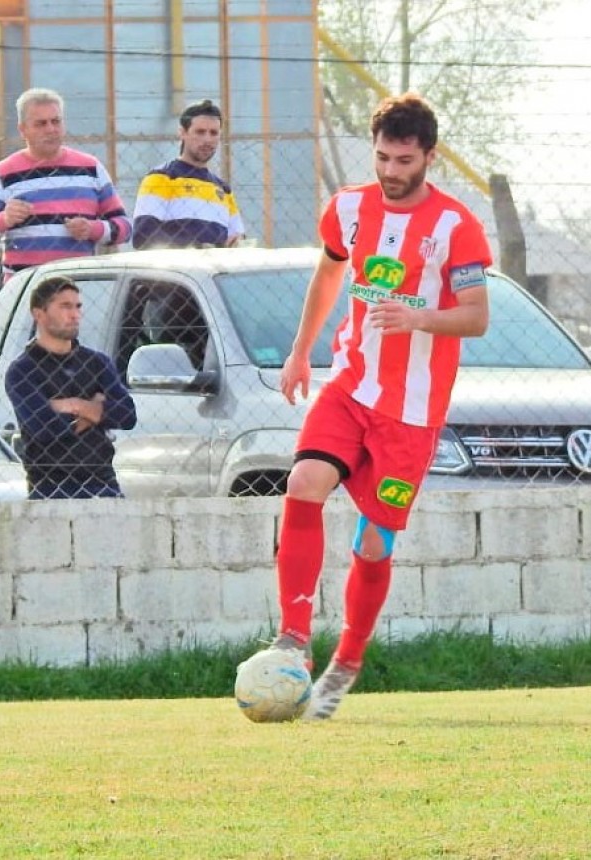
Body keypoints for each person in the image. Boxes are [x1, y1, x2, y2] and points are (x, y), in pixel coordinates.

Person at [270, 93, 493, 720]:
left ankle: (348, 659)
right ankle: (294, 638)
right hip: (350, 385)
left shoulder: (456, 227)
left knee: (373, 544)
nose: (390, 171)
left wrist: (419, 316)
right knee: (304, 482)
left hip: (411, 416)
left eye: (403, 159)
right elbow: (328, 276)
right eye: (381, 157)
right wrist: (299, 352)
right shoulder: (347, 208)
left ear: (429, 155)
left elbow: (476, 318)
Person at [0, 87, 132, 282]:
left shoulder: (90, 168)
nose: (51, 129)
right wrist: (4, 219)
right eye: (41, 124)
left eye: (56, 121)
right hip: (26, 289)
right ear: (23, 130)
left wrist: (92, 229)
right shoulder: (4, 173)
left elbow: (125, 228)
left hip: (78, 288)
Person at [5, 276, 137, 499]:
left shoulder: (97, 363)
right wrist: (95, 411)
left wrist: (73, 405)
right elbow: (46, 429)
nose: (75, 314)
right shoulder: (22, 371)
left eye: (77, 306)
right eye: (65, 306)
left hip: (102, 482)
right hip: (50, 486)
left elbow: (127, 415)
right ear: (39, 314)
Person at [131, 99, 245, 249]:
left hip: (216, 271)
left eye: (214, 133)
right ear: (182, 133)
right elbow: (144, 236)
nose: (207, 139)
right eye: (200, 132)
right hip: (175, 271)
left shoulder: (223, 190)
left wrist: (237, 242)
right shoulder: (161, 178)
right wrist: (199, 250)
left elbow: (238, 238)